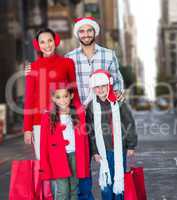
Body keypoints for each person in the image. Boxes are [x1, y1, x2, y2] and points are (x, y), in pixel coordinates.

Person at [65, 17, 125, 199]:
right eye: (81, 31)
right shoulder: (69, 58)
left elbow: (118, 83)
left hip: (104, 116)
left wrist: (118, 96)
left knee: (110, 159)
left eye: (89, 30)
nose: (86, 34)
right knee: (82, 165)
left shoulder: (108, 55)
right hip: (79, 117)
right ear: (77, 34)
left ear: (95, 32)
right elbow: (65, 87)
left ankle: (115, 192)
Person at [23, 28, 81, 160]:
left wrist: (77, 116)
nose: (47, 45)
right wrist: (27, 128)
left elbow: (74, 91)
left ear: (55, 41)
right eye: (42, 42)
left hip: (64, 118)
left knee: (66, 161)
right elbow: (29, 98)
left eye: (49, 40)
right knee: (45, 163)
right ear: (38, 45)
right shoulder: (33, 67)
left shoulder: (67, 63)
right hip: (39, 121)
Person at [85, 69, 137, 200]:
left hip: (120, 149)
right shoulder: (91, 106)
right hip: (103, 151)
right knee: (106, 181)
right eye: (97, 87)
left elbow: (129, 122)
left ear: (109, 85)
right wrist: (94, 151)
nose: (101, 89)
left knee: (119, 178)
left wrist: (131, 145)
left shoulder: (118, 102)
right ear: (93, 88)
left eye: (103, 86)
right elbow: (90, 131)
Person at [40, 83, 90, 200]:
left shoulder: (78, 114)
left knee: (74, 188)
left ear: (71, 96)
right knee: (63, 191)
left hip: (75, 156)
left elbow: (84, 139)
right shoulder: (48, 117)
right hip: (57, 158)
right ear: (53, 98)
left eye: (65, 96)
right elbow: (43, 144)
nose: (62, 100)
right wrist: (45, 163)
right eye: (58, 97)